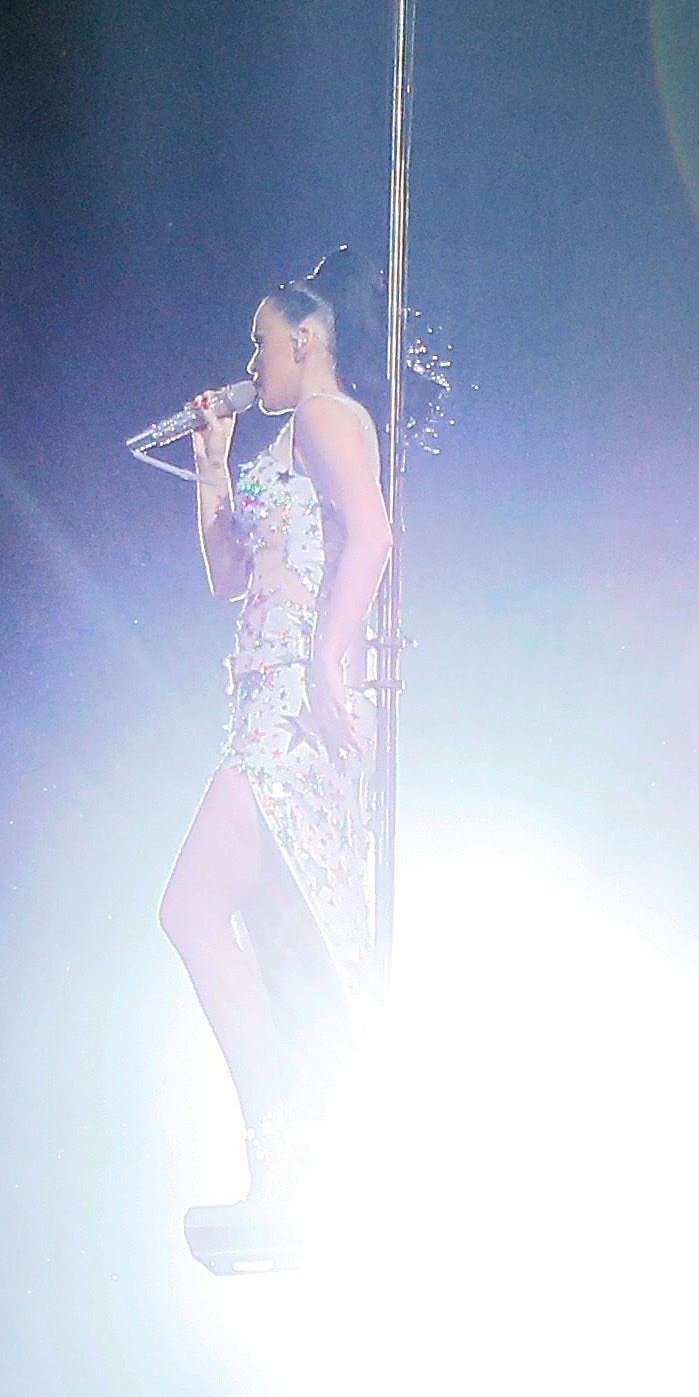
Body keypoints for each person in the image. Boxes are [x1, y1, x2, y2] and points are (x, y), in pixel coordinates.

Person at [159, 248, 394, 1269]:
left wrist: (327, 668)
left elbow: (372, 535)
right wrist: (209, 458)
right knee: (237, 925)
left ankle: (284, 1143)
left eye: (259, 344)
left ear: (304, 342)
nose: (248, 363)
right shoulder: (277, 445)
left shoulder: (326, 419)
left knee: (193, 908)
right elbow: (225, 575)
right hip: (258, 701)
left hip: (287, 714)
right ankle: (282, 1155)